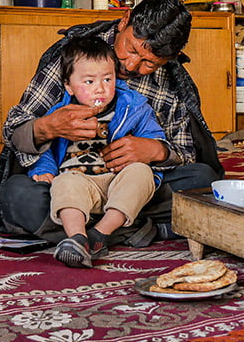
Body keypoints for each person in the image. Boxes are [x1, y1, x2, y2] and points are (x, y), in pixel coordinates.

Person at [0, 0, 224, 245]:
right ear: (124, 20)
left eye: (150, 63)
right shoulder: (77, 55)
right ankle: (142, 229)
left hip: (134, 185)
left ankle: (83, 231)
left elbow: (187, 153)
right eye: (130, 49)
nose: (131, 65)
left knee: (204, 180)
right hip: (71, 182)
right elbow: (13, 131)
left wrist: (156, 150)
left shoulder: (170, 83)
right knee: (17, 195)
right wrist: (48, 127)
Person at [29, 36, 166, 268]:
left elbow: (155, 140)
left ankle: (99, 235)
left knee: (142, 173)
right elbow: (45, 149)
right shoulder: (61, 113)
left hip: (118, 180)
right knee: (62, 183)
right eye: (89, 82)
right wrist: (44, 170)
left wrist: (150, 148)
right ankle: (78, 238)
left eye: (107, 79)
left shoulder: (134, 105)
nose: (100, 89)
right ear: (69, 86)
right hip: (81, 182)